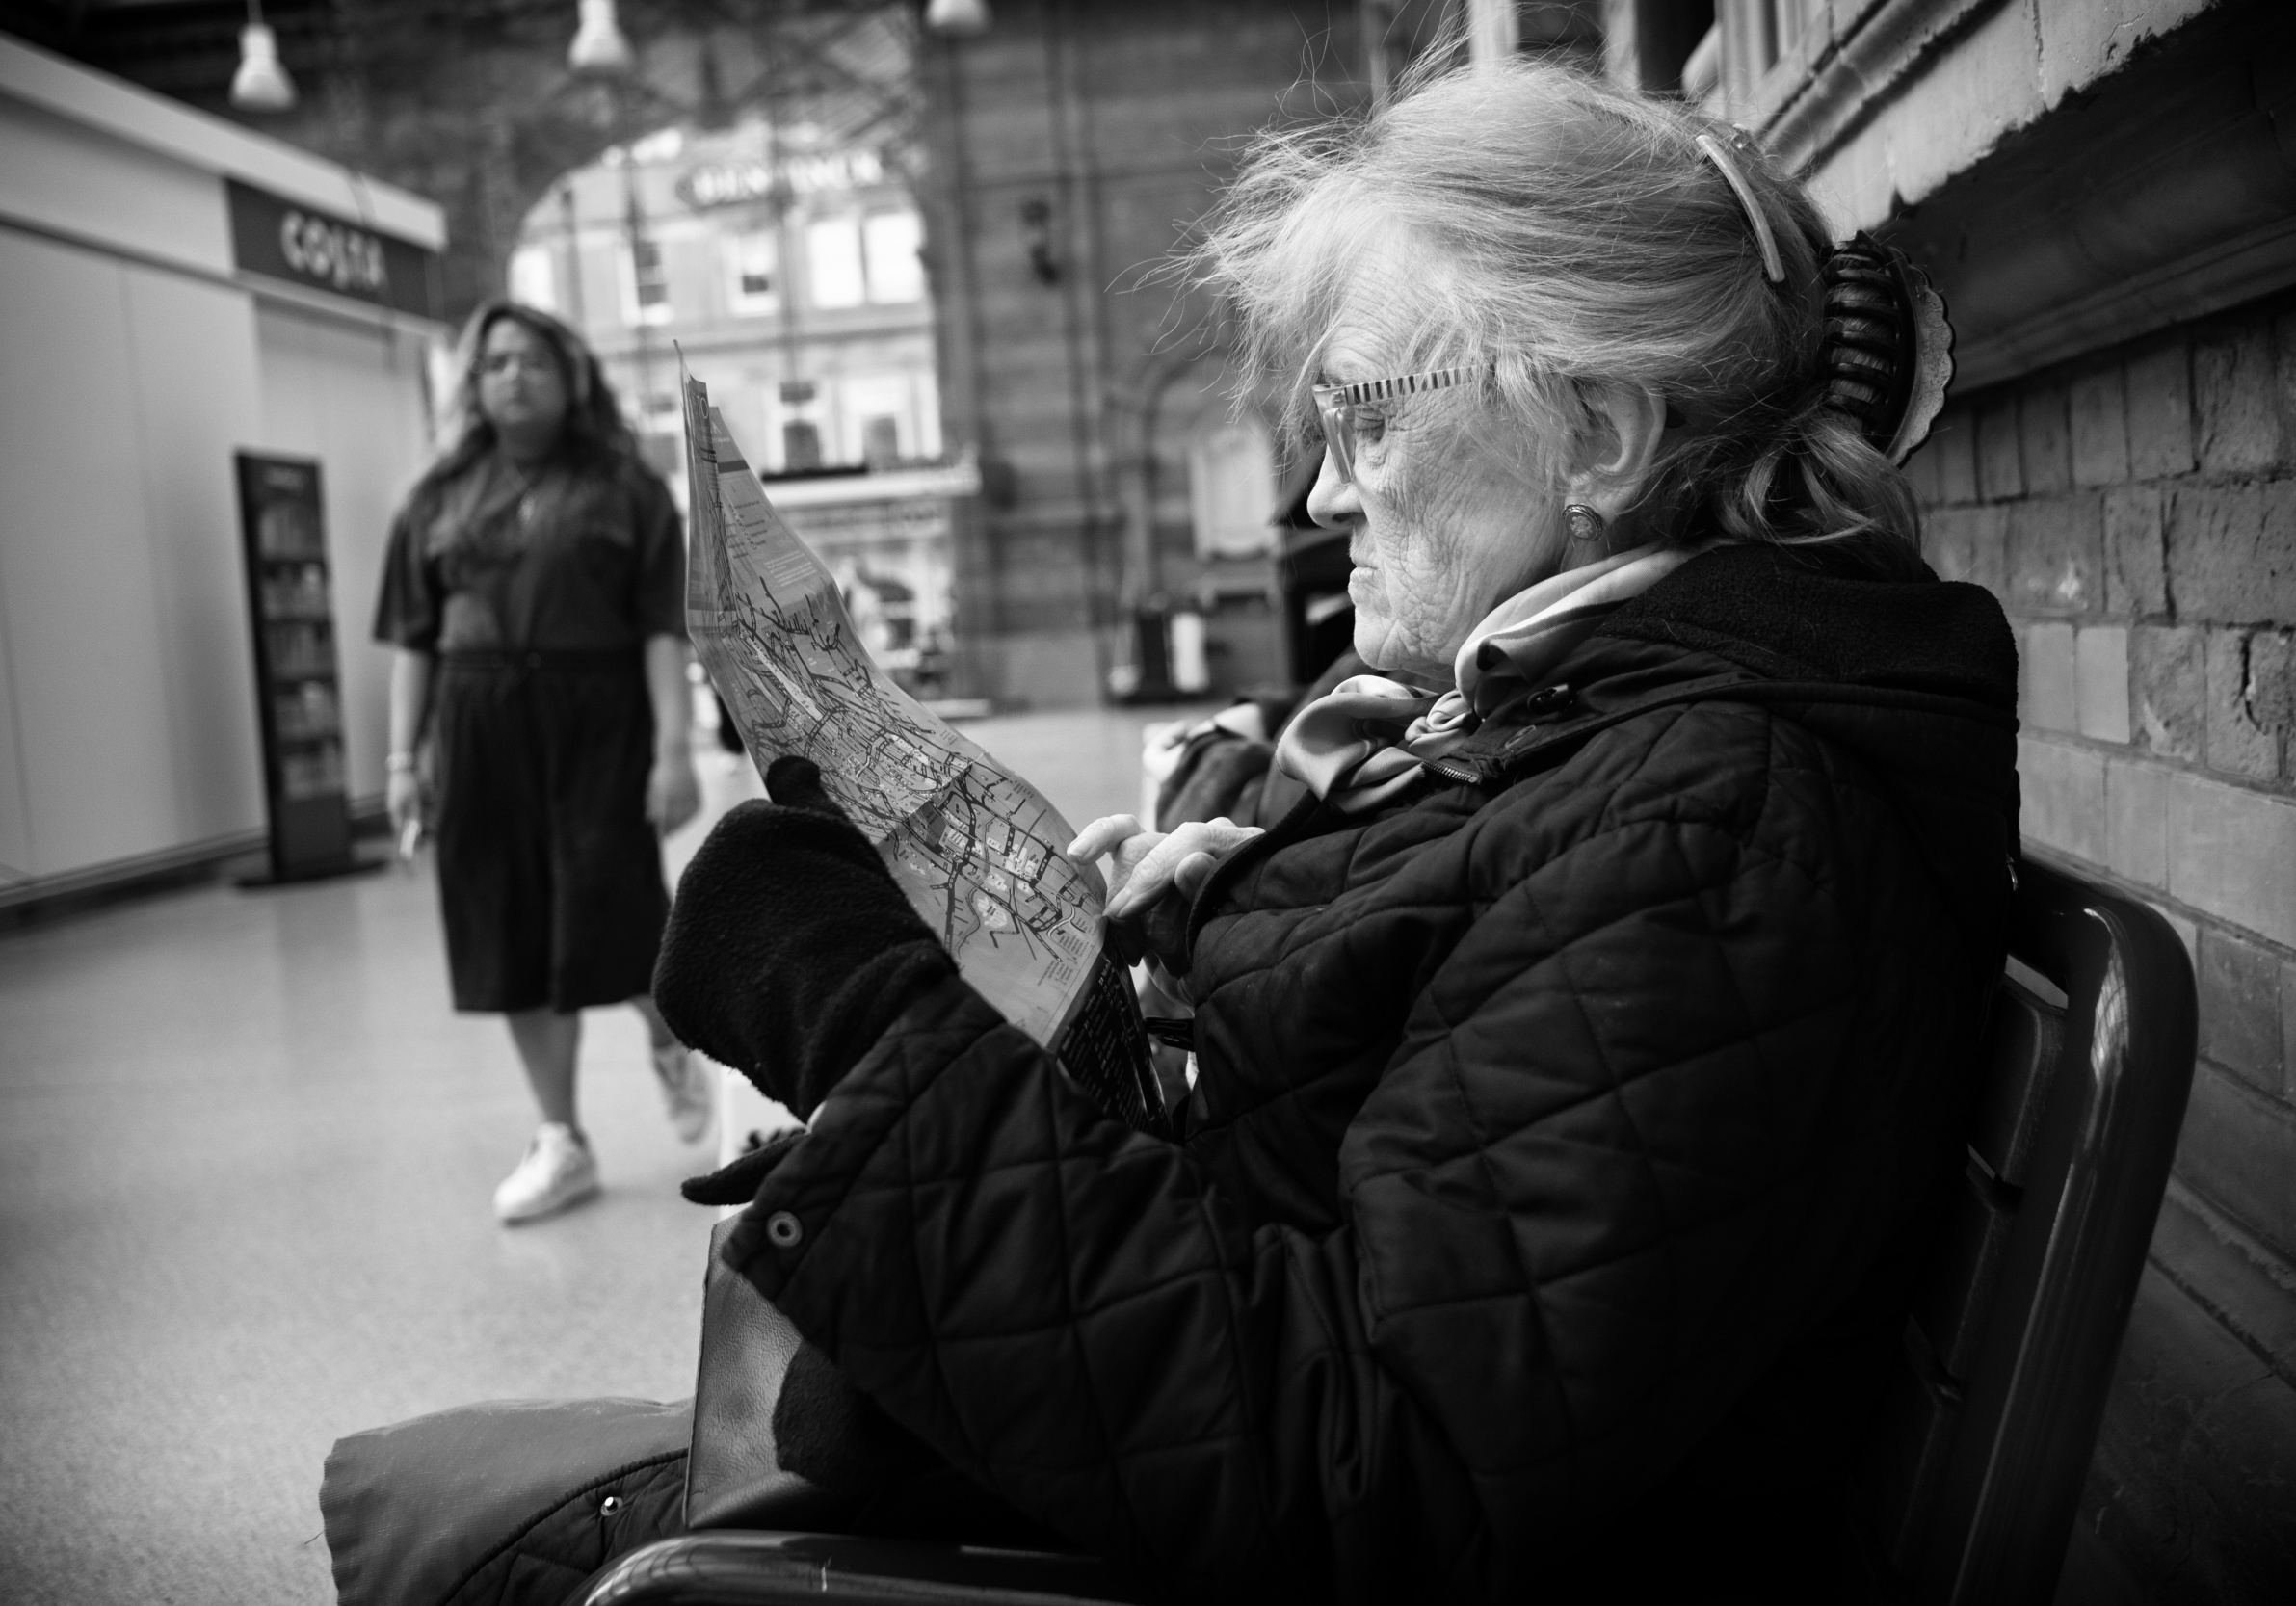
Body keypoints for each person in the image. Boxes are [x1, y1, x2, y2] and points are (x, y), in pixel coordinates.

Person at [325, 61, 2019, 1603]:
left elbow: (1363, 1473)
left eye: (1362, 412)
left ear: (1601, 435)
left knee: (426, 1514)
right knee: (435, 1480)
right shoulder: (1609, 728)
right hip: (1033, 1464)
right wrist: (1092, 960)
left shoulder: (1714, 835)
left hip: (1069, 1539)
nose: (1321, 492)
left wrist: (866, 1019)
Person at [376, 300, 714, 1224]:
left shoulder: (625, 488)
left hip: (597, 719)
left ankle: (671, 1035)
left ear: (571, 378)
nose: (513, 376)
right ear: (473, 385)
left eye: (533, 360)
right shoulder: (437, 495)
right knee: (510, 928)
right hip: (478, 724)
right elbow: (413, 641)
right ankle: (561, 1135)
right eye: (495, 363)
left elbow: (659, 630)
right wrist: (402, 762)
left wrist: (672, 750)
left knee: (619, 910)